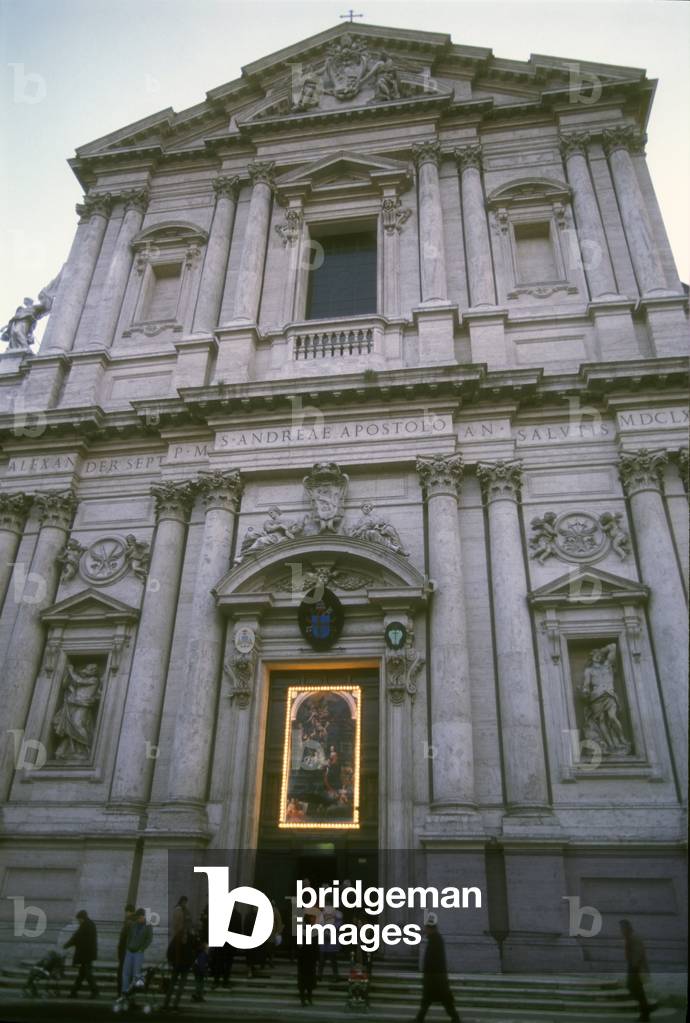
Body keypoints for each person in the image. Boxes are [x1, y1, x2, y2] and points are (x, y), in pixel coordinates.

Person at [414, 914, 461, 1023]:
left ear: (431, 929)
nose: (425, 930)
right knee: (428, 1001)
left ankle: (456, 1019)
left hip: (435, 979)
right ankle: (419, 1019)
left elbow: (435, 961)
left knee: (442, 1001)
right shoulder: (435, 939)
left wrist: (429, 977)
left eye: (427, 928)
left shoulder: (436, 940)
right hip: (435, 978)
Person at [620, 920, 655, 1022]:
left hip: (636, 968)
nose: (621, 931)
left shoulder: (634, 937)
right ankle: (645, 1011)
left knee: (635, 989)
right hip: (633, 967)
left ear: (627, 928)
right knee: (634, 989)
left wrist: (634, 966)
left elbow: (639, 953)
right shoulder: (629, 938)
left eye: (622, 928)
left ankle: (645, 1013)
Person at [164, 897, 195, 1011]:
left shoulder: (182, 938)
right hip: (181, 965)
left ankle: (169, 1005)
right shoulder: (183, 938)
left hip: (180, 965)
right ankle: (170, 1005)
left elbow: (170, 952)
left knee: (176, 986)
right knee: (176, 987)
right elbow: (171, 952)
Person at [63, 909, 99, 999]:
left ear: (82, 918)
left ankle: (95, 992)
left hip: (86, 955)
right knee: (82, 975)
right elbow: (77, 937)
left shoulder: (86, 925)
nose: (78, 921)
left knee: (87, 974)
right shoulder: (88, 924)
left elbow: (77, 938)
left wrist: (66, 945)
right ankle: (74, 992)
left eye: (78, 919)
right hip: (87, 955)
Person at [121, 907, 153, 997]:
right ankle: (124, 993)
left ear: (144, 916)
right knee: (125, 973)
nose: (139, 919)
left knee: (136, 975)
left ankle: (132, 995)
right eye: (138, 918)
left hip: (138, 953)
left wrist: (142, 948)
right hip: (129, 951)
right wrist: (128, 946)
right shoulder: (133, 924)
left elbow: (149, 939)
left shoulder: (148, 926)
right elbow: (129, 936)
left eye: (140, 917)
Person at [296, 911, 319, 1006]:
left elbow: (316, 945)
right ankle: (304, 999)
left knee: (309, 981)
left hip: (310, 959)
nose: (314, 920)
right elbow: (299, 945)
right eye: (312, 918)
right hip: (304, 959)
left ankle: (308, 998)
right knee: (304, 981)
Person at [318, 897, 342, 980]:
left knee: (333, 960)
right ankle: (319, 975)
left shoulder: (338, 914)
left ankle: (335, 976)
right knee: (322, 960)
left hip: (332, 940)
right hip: (325, 940)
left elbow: (339, 925)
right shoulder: (322, 914)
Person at [116, 904, 136, 995]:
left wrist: (120, 953)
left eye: (126, 912)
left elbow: (123, 940)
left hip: (125, 953)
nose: (125, 914)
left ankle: (121, 994)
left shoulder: (128, 923)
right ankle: (128, 994)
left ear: (129, 912)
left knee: (122, 974)